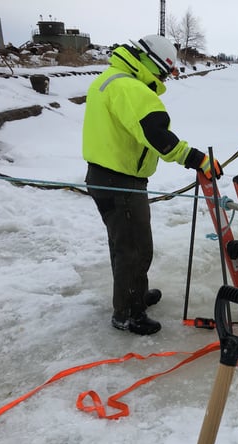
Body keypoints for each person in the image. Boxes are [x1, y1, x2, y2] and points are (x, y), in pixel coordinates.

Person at [82, 34, 221, 335]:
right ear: (149, 62)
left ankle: (134, 295)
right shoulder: (131, 88)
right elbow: (157, 135)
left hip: (103, 175)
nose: (161, 78)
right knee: (134, 248)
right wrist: (196, 158)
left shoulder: (109, 79)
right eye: (161, 72)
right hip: (120, 180)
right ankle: (129, 313)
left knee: (124, 243)